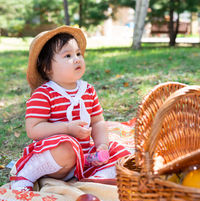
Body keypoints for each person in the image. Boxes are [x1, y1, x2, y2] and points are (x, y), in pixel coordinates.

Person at [10, 26, 130, 191]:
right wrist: (67, 128)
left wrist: (102, 144)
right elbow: (33, 129)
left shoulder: (88, 90)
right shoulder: (44, 94)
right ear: (47, 68)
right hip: (55, 159)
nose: (77, 59)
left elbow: (97, 122)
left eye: (78, 54)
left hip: (84, 158)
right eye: (68, 55)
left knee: (117, 151)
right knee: (67, 148)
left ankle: (96, 176)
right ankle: (27, 174)